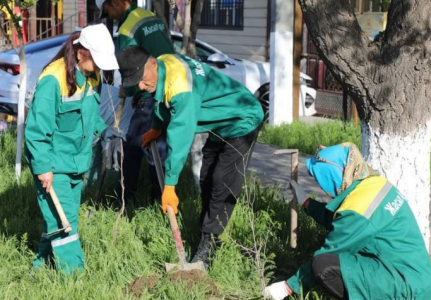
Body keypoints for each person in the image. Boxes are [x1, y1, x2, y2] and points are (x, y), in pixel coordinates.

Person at [117, 45, 264, 267]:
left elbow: (179, 139)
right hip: (219, 122)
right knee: (206, 178)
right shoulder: (164, 63)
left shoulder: (180, 86)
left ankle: (210, 243)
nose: (140, 85)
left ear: (152, 64)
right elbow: (162, 100)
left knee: (221, 183)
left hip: (242, 120)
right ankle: (205, 229)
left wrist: (170, 185)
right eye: (135, 82)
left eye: (142, 78)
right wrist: (156, 127)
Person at [263, 142, 431, 300]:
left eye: (322, 182)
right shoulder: (374, 184)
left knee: (322, 264)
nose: (324, 189)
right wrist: (306, 202)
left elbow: (332, 247)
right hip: (418, 275)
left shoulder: (358, 210)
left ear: (333, 179)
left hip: (404, 286)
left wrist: (287, 287)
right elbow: (343, 224)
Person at [25, 24, 122, 274]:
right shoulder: (53, 79)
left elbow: (90, 116)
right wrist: (43, 168)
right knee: (64, 224)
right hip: (53, 164)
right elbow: (36, 130)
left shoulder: (91, 76)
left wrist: (104, 130)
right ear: (81, 53)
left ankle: (39, 268)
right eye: (97, 61)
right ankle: (77, 278)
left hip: (76, 162)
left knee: (60, 218)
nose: (100, 68)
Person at [96, 0, 174, 201]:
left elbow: (132, 65)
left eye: (108, 11)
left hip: (151, 90)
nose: (111, 17)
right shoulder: (147, 15)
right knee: (159, 145)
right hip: (170, 85)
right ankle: (159, 198)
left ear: (116, 3)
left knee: (133, 145)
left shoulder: (127, 28)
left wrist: (129, 90)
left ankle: (124, 197)